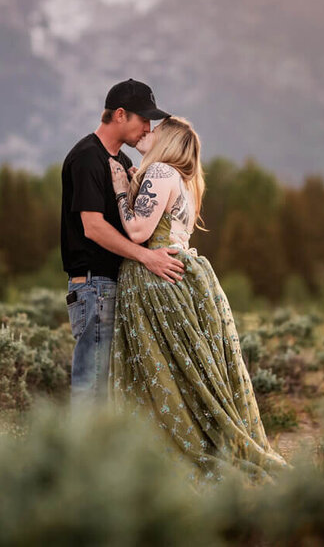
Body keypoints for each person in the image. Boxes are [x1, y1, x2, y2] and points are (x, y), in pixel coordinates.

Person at [108, 116, 287, 482]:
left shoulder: (159, 171)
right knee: (189, 372)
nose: (146, 132)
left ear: (167, 141)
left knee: (162, 370)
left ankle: (168, 453)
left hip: (156, 281)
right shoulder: (187, 181)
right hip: (182, 278)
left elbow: (139, 230)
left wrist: (119, 191)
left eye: (154, 131)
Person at [60, 79, 185, 405]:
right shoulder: (87, 157)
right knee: (92, 386)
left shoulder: (125, 164)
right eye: (142, 119)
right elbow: (94, 228)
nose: (147, 127)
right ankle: (80, 456)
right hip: (95, 285)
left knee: (113, 390)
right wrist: (148, 259)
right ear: (119, 115)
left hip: (114, 286)